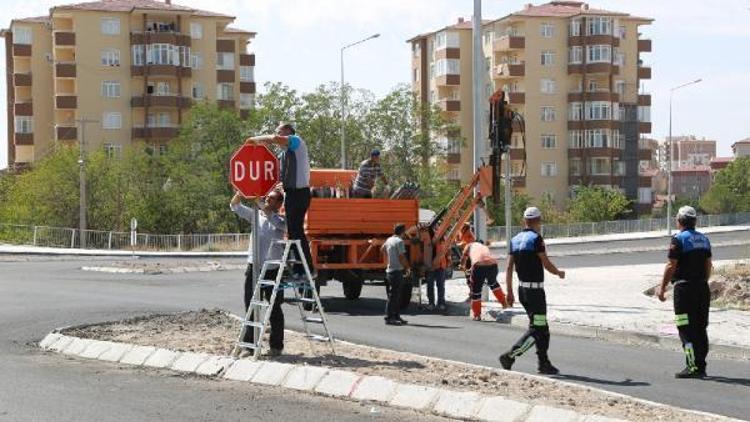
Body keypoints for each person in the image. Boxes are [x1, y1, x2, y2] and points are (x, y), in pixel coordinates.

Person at [499, 207, 565, 375]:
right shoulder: (537, 239)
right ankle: (511, 355)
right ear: (538, 221)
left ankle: (544, 363)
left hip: (522, 291)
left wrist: (510, 293)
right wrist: (558, 272)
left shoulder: (514, 240)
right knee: (537, 329)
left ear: (524, 221)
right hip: (536, 293)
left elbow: (508, 268)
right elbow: (546, 263)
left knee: (542, 328)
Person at [246, 123, 312, 276]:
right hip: (291, 194)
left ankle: (306, 268)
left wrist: (254, 139)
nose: (277, 134)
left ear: (288, 131)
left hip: (299, 193)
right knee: (293, 231)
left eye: (280, 130)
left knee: (296, 231)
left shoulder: (296, 141)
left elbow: (275, 138)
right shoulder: (284, 155)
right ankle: (299, 267)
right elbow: (282, 178)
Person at [657, 205, 712, 379]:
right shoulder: (704, 239)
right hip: (703, 289)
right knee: (701, 327)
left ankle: (691, 365)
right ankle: (701, 365)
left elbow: (671, 265)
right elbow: (708, 265)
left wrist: (662, 288)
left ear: (679, 221)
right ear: (694, 221)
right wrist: (702, 282)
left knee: (685, 328)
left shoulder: (678, 239)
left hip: (684, 291)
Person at [230, 190, 287, 356]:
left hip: (272, 270)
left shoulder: (280, 220)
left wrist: (260, 202)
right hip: (253, 267)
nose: (267, 200)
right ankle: (250, 346)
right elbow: (235, 205)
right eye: (267, 197)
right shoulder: (256, 215)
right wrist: (241, 193)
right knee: (251, 306)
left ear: (279, 203)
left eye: (272, 198)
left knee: (274, 308)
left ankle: (276, 346)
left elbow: (279, 223)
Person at [462, 240, 508, 321]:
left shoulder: (469, 245)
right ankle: (504, 303)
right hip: (493, 265)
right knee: (493, 283)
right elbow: (484, 258)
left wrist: (464, 268)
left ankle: (477, 315)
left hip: (478, 265)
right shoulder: (484, 247)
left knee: (476, 290)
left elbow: (463, 259)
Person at [381, 223, 410, 326]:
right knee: (394, 296)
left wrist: (389, 260)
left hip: (390, 270)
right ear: (402, 232)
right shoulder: (399, 241)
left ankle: (396, 316)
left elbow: (382, 249)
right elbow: (401, 256)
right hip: (397, 271)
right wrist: (407, 267)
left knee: (396, 295)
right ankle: (389, 317)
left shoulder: (389, 240)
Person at [425, 235, 450, 311]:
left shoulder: (443, 240)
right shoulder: (430, 239)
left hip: (439, 266)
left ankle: (439, 303)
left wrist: (448, 262)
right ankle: (433, 303)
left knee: (439, 286)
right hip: (432, 266)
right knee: (432, 286)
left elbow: (447, 252)